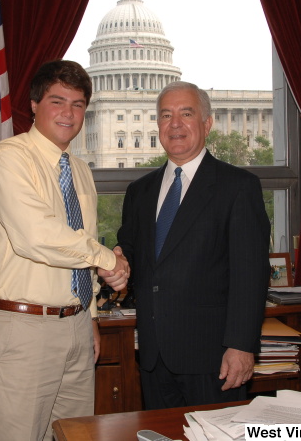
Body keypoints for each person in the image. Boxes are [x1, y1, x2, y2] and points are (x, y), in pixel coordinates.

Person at [0, 60, 130, 441]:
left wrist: (91, 316)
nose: (68, 113)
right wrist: (108, 259)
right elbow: (37, 235)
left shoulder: (79, 170)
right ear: (33, 104)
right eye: (57, 101)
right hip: (24, 327)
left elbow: (80, 254)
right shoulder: (10, 157)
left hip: (77, 326)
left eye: (78, 104)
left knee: (75, 435)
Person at [115, 81, 271, 410]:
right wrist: (117, 262)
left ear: (207, 122)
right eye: (166, 115)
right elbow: (129, 252)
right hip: (154, 358)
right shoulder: (139, 192)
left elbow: (251, 276)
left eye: (186, 113)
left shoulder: (238, 187)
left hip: (214, 359)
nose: (175, 124)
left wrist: (242, 347)